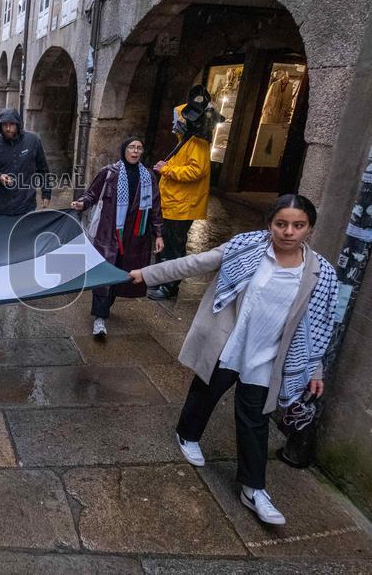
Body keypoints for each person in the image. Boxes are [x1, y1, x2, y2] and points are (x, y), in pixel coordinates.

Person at [130, 194, 338, 526]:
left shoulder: (320, 274)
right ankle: (187, 434)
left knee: (255, 419)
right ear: (270, 224)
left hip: (267, 357)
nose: (289, 232)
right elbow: (196, 263)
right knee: (206, 391)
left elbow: (316, 327)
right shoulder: (246, 247)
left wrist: (315, 368)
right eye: (281, 224)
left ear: (309, 228)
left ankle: (253, 489)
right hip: (230, 341)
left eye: (298, 225)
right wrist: (147, 273)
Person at [71, 137, 163, 337]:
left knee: (123, 274)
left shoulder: (148, 176)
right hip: (109, 232)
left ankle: (105, 307)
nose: (135, 151)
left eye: (139, 148)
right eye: (132, 147)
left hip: (135, 236)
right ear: (124, 150)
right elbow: (92, 194)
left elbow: (155, 206)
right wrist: (82, 203)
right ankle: (99, 318)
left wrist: (158, 234)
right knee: (104, 275)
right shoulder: (109, 173)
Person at [148, 85, 220, 301]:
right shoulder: (186, 140)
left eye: (176, 119)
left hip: (182, 205)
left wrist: (166, 169)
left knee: (173, 247)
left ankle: (169, 286)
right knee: (165, 243)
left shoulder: (197, 143)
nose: (173, 123)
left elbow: (197, 170)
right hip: (174, 202)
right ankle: (160, 279)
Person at [0, 108, 51, 217]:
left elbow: (43, 169)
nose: (8, 128)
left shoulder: (33, 140)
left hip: (26, 205)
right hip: (3, 206)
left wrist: (46, 193)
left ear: (18, 124)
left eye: (11, 124)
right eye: (5, 125)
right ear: (0, 126)